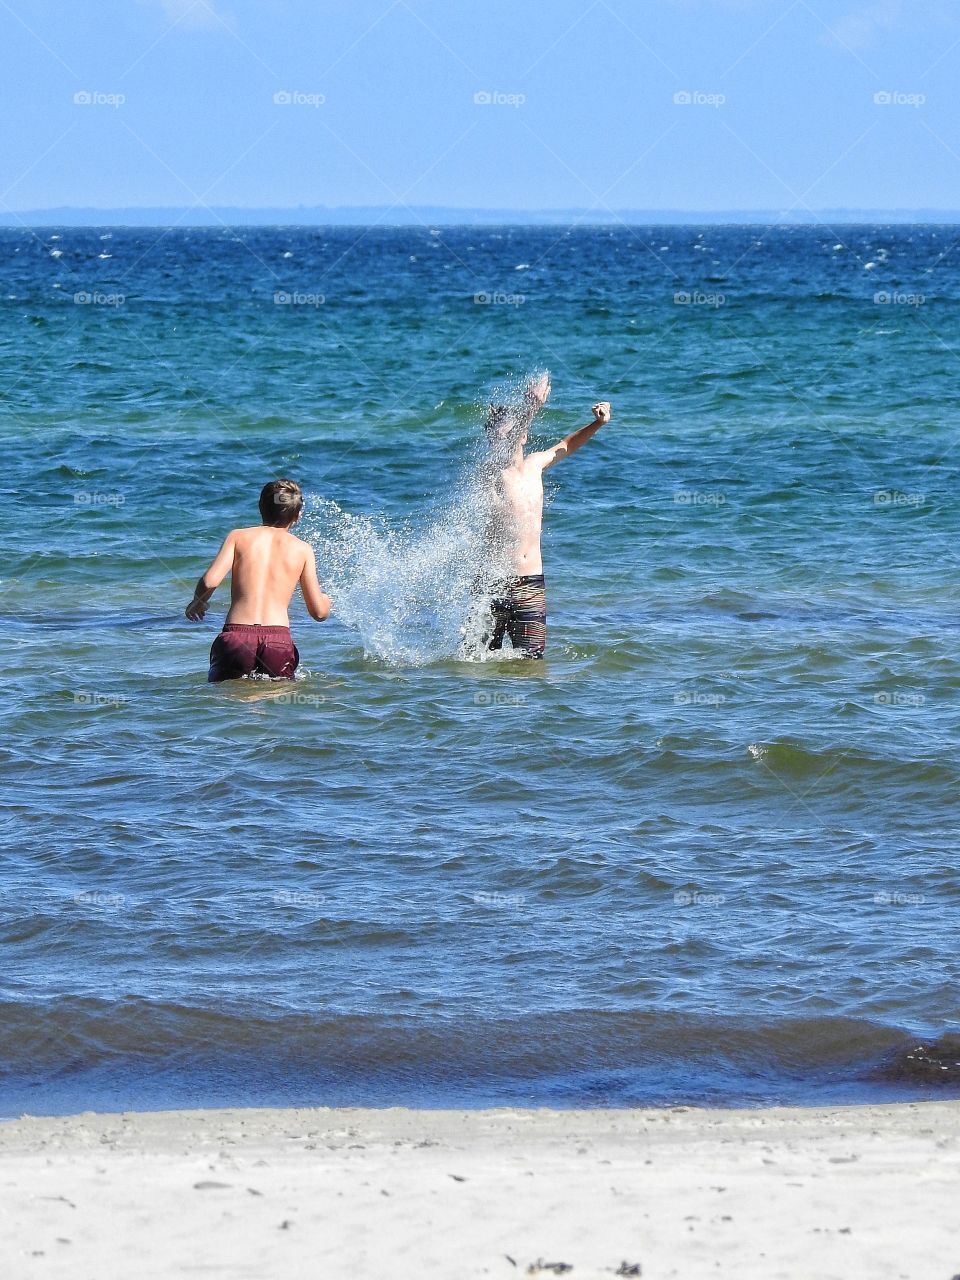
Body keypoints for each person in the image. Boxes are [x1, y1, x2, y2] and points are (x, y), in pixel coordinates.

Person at [478, 374, 611, 659]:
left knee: (532, 663)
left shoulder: (535, 464)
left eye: (508, 430)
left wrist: (597, 424)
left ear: (524, 434)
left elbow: (567, 445)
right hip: (493, 583)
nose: (503, 436)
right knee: (477, 662)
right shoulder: (490, 472)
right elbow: (509, 442)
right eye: (497, 433)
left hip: (531, 584)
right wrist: (532, 406)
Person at [185, 478, 332, 682]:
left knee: (227, 703)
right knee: (276, 703)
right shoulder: (303, 549)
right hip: (278, 642)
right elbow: (319, 612)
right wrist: (326, 600)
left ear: (261, 506)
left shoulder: (238, 537)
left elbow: (210, 582)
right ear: (297, 516)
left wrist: (198, 602)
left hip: (237, 638)